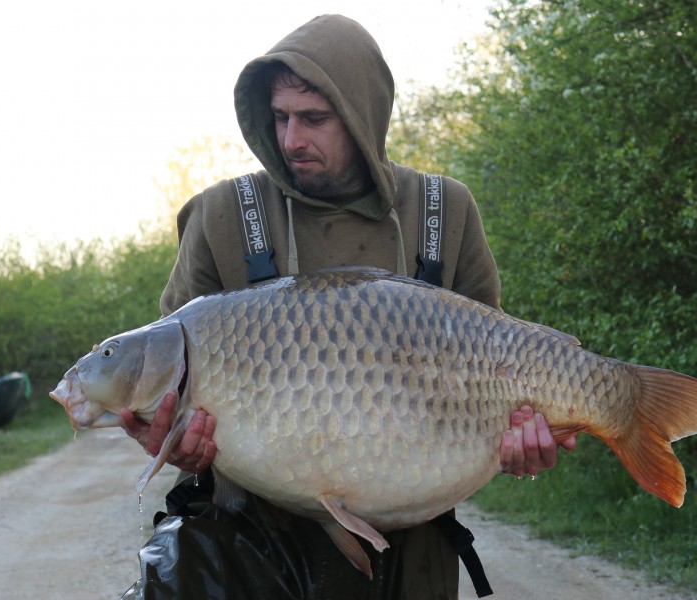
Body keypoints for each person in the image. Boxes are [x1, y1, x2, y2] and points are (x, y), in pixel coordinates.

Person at [119, 14, 577, 599]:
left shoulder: (444, 212)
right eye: (280, 117)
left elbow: (493, 377)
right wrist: (172, 443)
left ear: (362, 115)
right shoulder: (221, 218)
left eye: (313, 119)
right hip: (254, 558)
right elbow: (170, 386)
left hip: (414, 554)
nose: (290, 140)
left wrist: (519, 444)